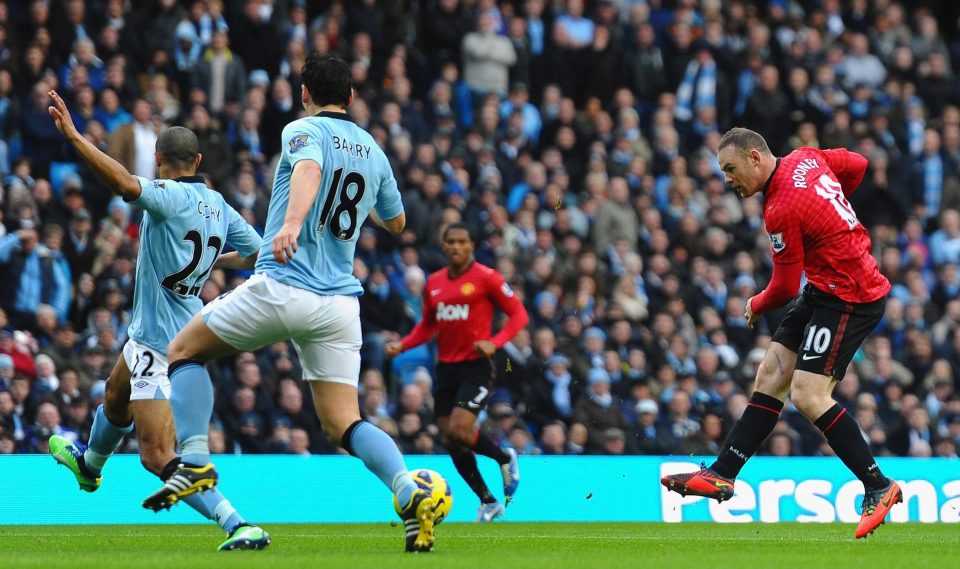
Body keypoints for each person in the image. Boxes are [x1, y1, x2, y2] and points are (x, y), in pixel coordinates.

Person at [140, 54, 436, 553]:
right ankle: (408, 491)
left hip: (285, 285)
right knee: (344, 422)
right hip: (340, 305)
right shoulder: (375, 151)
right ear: (353, 97)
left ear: (304, 93)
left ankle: (192, 461)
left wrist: (295, 223)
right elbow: (399, 222)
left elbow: (309, 171)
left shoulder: (302, 131)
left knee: (183, 351)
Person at [44, 90, 270, 551]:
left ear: (159, 158)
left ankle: (237, 523)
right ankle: (89, 466)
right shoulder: (219, 204)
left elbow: (126, 185)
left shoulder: (166, 196)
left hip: (161, 345)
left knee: (156, 455)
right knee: (114, 391)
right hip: (176, 330)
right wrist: (210, 266)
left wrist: (74, 137)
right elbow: (255, 251)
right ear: (199, 159)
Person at [661, 127, 901, 539]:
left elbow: (784, 288)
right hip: (825, 286)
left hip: (850, 295)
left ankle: (878, 484)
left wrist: (754, 304)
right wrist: (836, 215)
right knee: (770, 375)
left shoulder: (781, 207)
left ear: (755, 158)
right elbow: (858, 164)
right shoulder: (807, 156)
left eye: (731, 169)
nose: (728, 179)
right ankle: (723, 474)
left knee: (808, 395)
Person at [386, 222, 529, 522]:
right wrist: (404, 344)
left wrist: (495, 342)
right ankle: (488, 501)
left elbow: (519, 314)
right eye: (450, 241)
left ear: (471, 246)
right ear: (444, 245)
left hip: (476, 367)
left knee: (459, 430)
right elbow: (428, 325)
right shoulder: (434, 283)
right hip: (446, 369)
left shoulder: (487, 278)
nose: (455, 246)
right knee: (451, 440)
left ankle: (505, 457)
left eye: (461, 241)